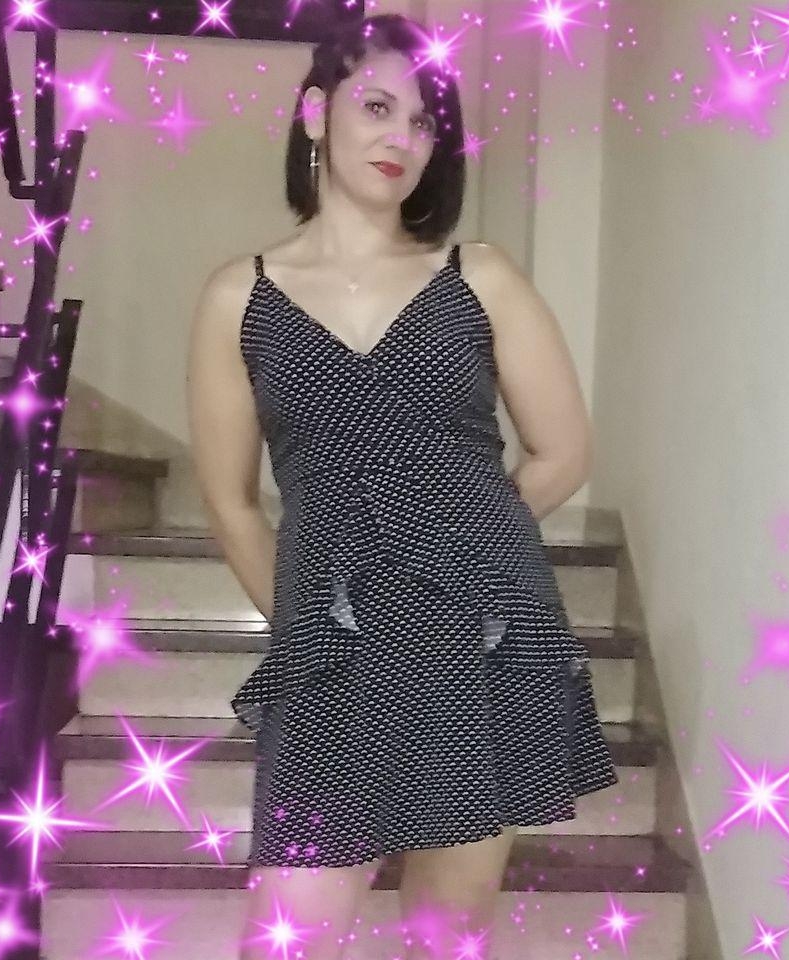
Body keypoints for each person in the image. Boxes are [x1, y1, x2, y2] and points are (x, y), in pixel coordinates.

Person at [185, 13, 617, 960]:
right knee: (287, 937)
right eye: (378, 107)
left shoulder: (480, 277)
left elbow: (561, 453)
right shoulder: (237, 298)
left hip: (477, 635)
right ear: (315, 112)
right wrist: (310, 621)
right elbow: (232, 502)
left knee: (446, 933)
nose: (402, 139)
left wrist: (457, 545)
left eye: (424, 123)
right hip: (333, 653)